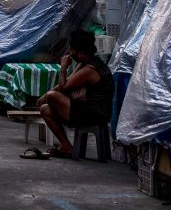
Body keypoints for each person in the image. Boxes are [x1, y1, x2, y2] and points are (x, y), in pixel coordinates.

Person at [37, 30, 115, 158]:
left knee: (52, 97)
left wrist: (63, 68)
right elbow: (67, 83)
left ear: (81, 51)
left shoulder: (91, 69)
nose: (70, 54)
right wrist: (44, 95)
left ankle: (67, 147)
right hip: (86, 109)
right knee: (45, 109)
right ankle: (66, 146)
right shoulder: (84, 64)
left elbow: (65, 87)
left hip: (95, 113)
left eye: (71, 50)